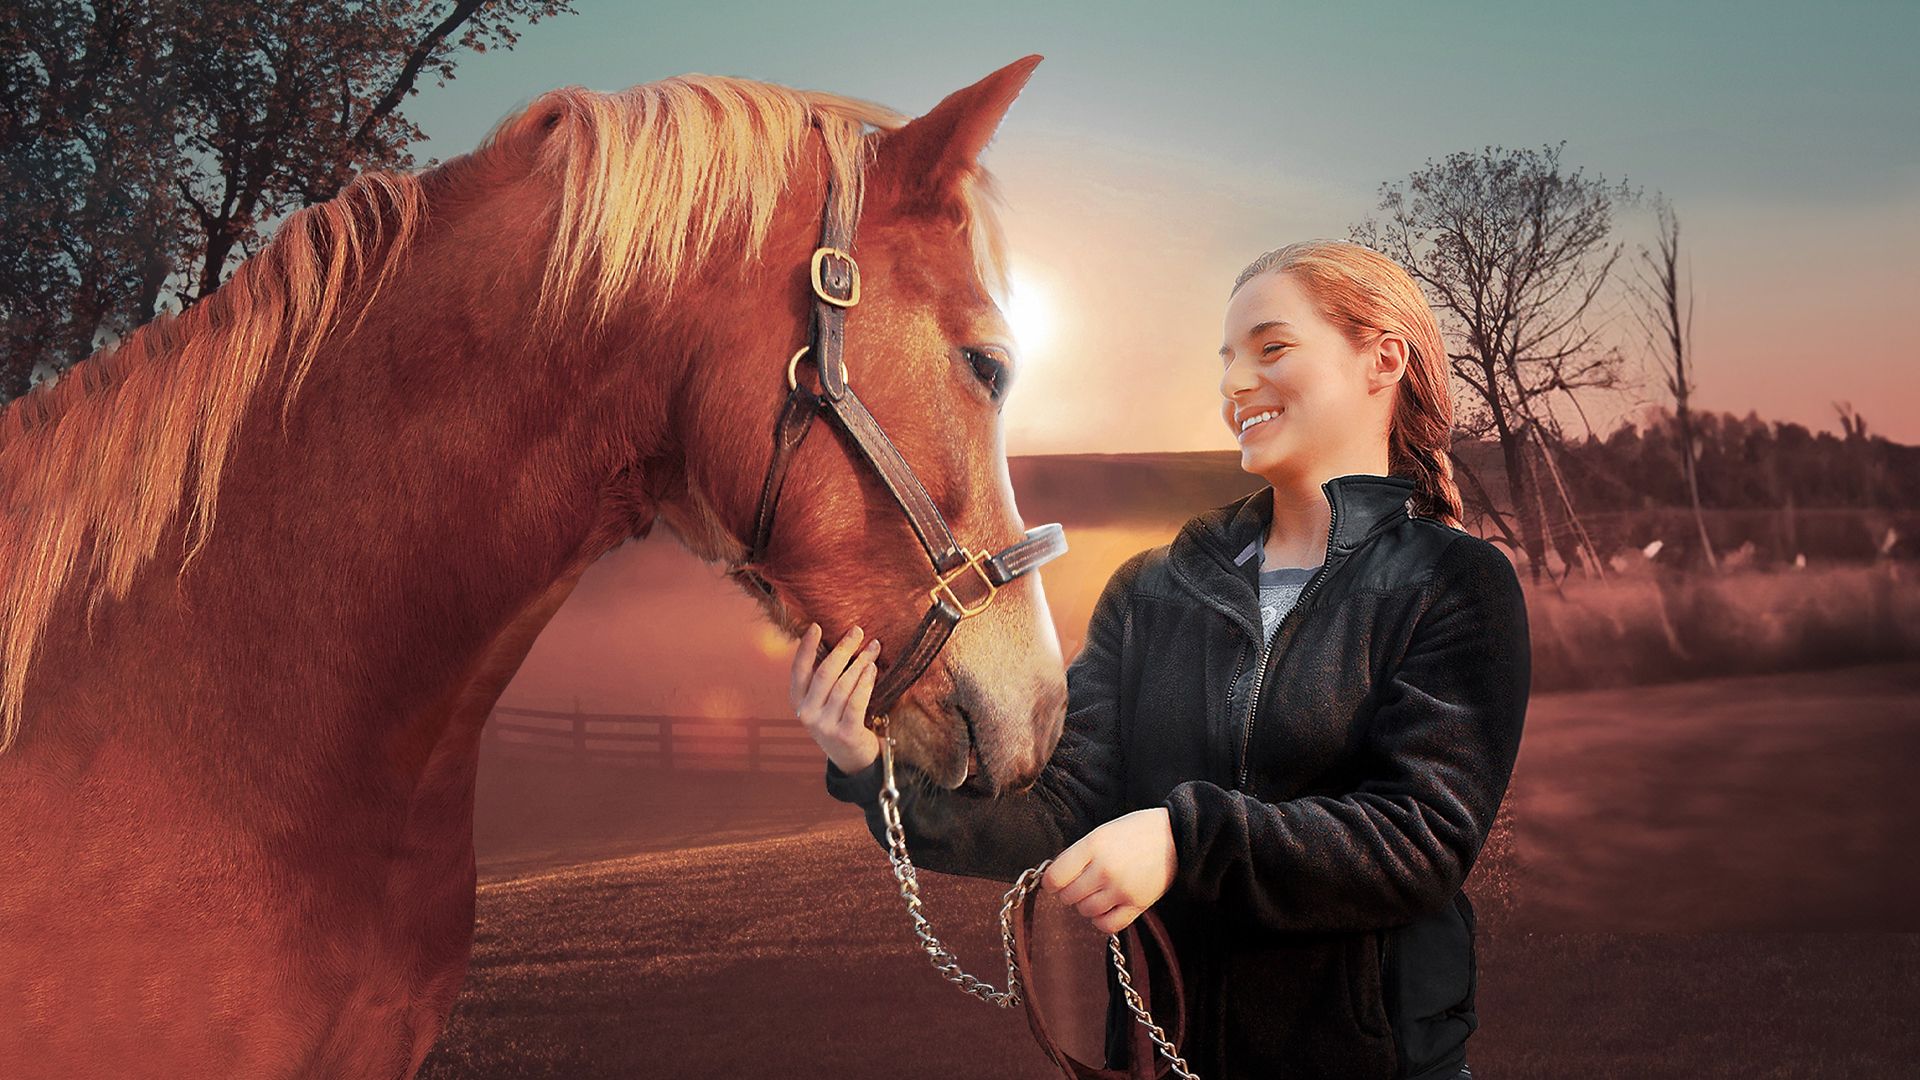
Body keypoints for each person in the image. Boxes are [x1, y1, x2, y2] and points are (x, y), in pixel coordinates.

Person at [791, 239, 1528, 1080]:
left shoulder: (1453, 582)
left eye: (1271, 347)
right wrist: (867, 762)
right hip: (1161, 1063)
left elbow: (1420, 840)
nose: (1233, 383)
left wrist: (1184, 839)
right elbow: (1061, 813)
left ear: (1381, 359)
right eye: (1226, 361)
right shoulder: (1151, 589)